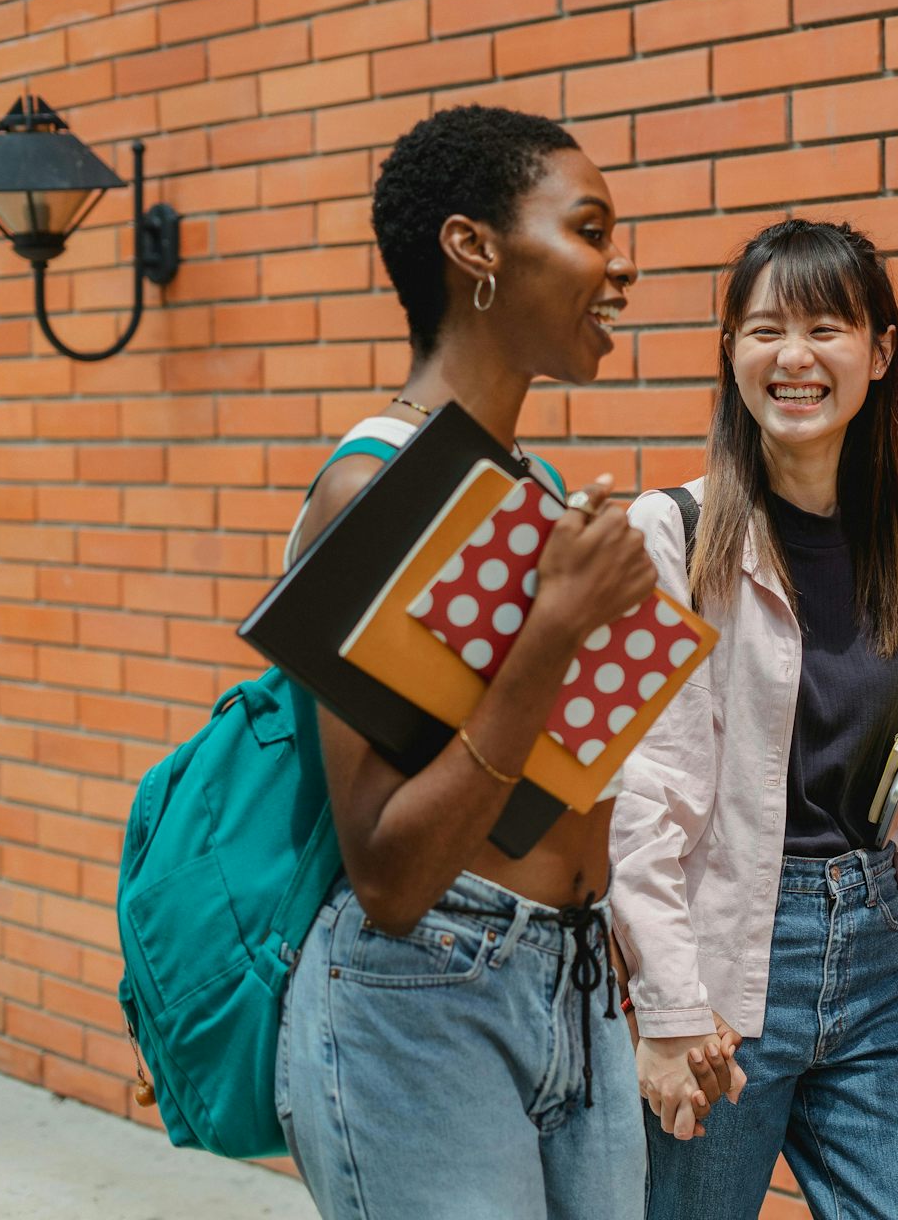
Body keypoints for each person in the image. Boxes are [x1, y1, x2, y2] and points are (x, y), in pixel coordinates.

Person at [271, 105, 738, 1220]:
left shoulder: (523, 488)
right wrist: (557, 632)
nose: (620, 268)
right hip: (427, 994)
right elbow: (388, 877)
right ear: (475, 248)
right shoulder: (374, 488)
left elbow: (549, 780)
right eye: (589, 228)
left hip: (574, 983)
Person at [611, 219, 898, 1218]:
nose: (793, 356)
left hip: (872, 953)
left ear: (880, 352)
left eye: (826, 327)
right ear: (731, 354)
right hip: (725, 960)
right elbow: (637, 793)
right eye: (763, 329)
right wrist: (665, 1007)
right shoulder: (671, 535)